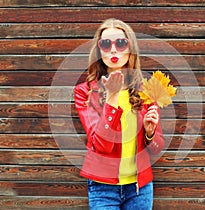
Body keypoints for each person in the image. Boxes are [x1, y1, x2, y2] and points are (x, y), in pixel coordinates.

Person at [74, 18, 164, 210]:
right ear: (99, 51)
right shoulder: (85, 92)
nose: (113, 50)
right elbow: (100, 146)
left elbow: (157, 148)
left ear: (130, 48)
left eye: (121, 43)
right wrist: (112, 98)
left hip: (140, 188)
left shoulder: (147, 90)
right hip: (103, 188)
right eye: (106, 44)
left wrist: (150, 133)